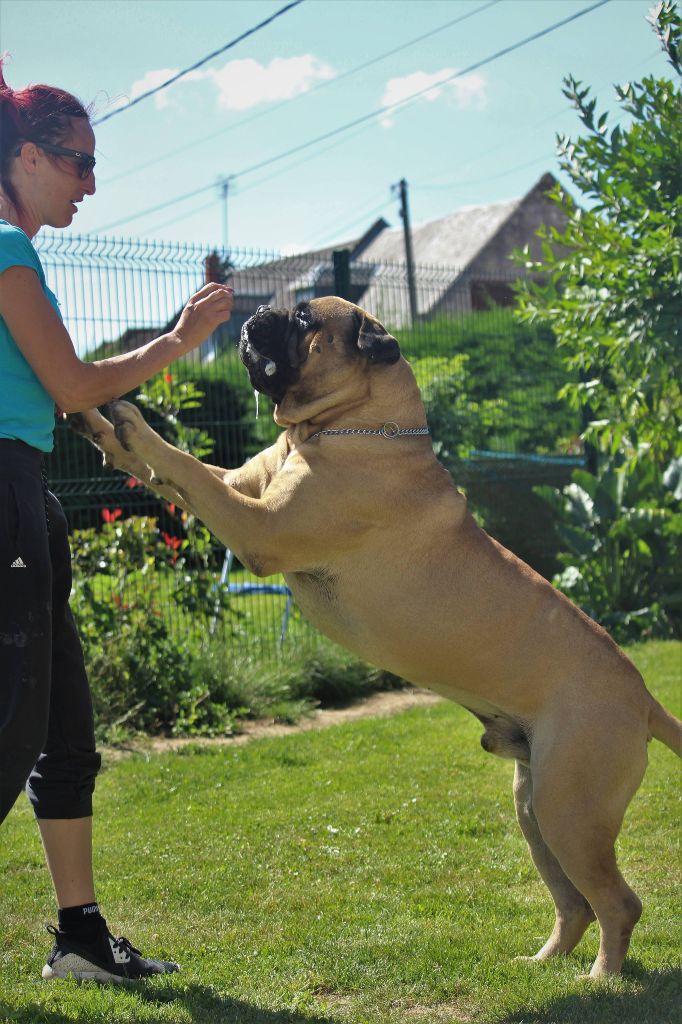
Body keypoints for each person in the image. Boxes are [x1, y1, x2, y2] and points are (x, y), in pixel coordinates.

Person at [0, 60, 233, 982]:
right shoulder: (7, 250)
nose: (91, 182)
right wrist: (178, 342)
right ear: (23, 156)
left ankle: (82, 934)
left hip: (28, 493)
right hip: (4, 494)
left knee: (62, 724)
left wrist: (106, 431)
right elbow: (68, 378)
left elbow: (49, 394)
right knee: (12, 726)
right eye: (78, 162)